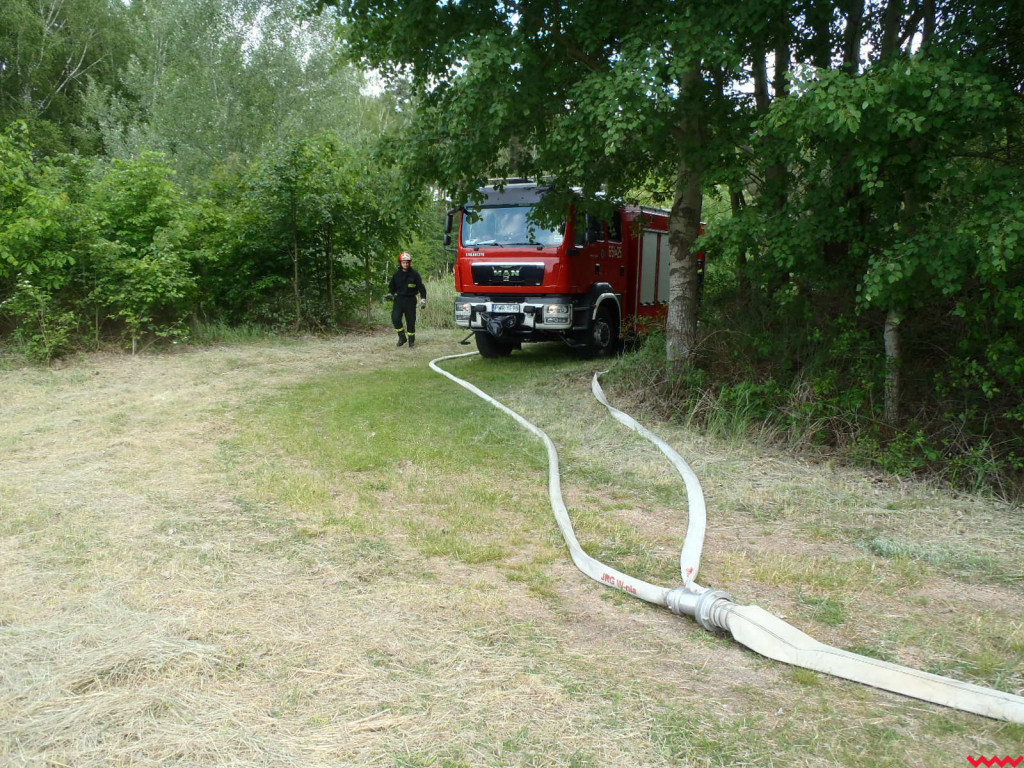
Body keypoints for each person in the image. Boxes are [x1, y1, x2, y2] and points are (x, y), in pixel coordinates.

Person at [385, 252, 427, 348]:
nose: (406, 264)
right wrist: (390, 294)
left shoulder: (415, 274)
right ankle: (402, 337)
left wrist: (423, 299)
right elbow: (392, 287)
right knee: (395, 318)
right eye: (403, 262)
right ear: (400, 263)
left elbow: (421, 288)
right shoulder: (397, 274)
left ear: (410, 263)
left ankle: (411, 342)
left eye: (407, 262)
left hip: (410, 300)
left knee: (410, 321)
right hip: (399, 300)